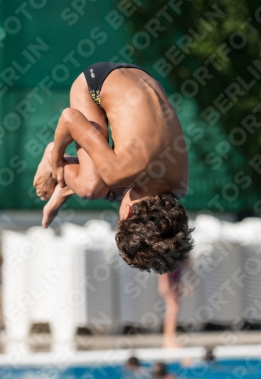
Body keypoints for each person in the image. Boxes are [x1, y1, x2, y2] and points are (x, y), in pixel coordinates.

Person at [34, 62, 194, 273]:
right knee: (92, 187)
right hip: (95, 84)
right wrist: (55, 159)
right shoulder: (119, 172)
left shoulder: (180, 186)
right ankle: (57, 163)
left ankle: (68, 184)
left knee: (116, 189)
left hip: (141, 76)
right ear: (127, 213)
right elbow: (69, 118)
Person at [158, 259, 192, 348]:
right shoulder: (171, 249)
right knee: (172, 309)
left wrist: (187, 283)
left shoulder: (184, 251)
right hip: (169, 279)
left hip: (175, 278)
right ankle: (168, 340)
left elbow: (187, 265)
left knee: (174, 309)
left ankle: (169, 338)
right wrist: (164, 283)